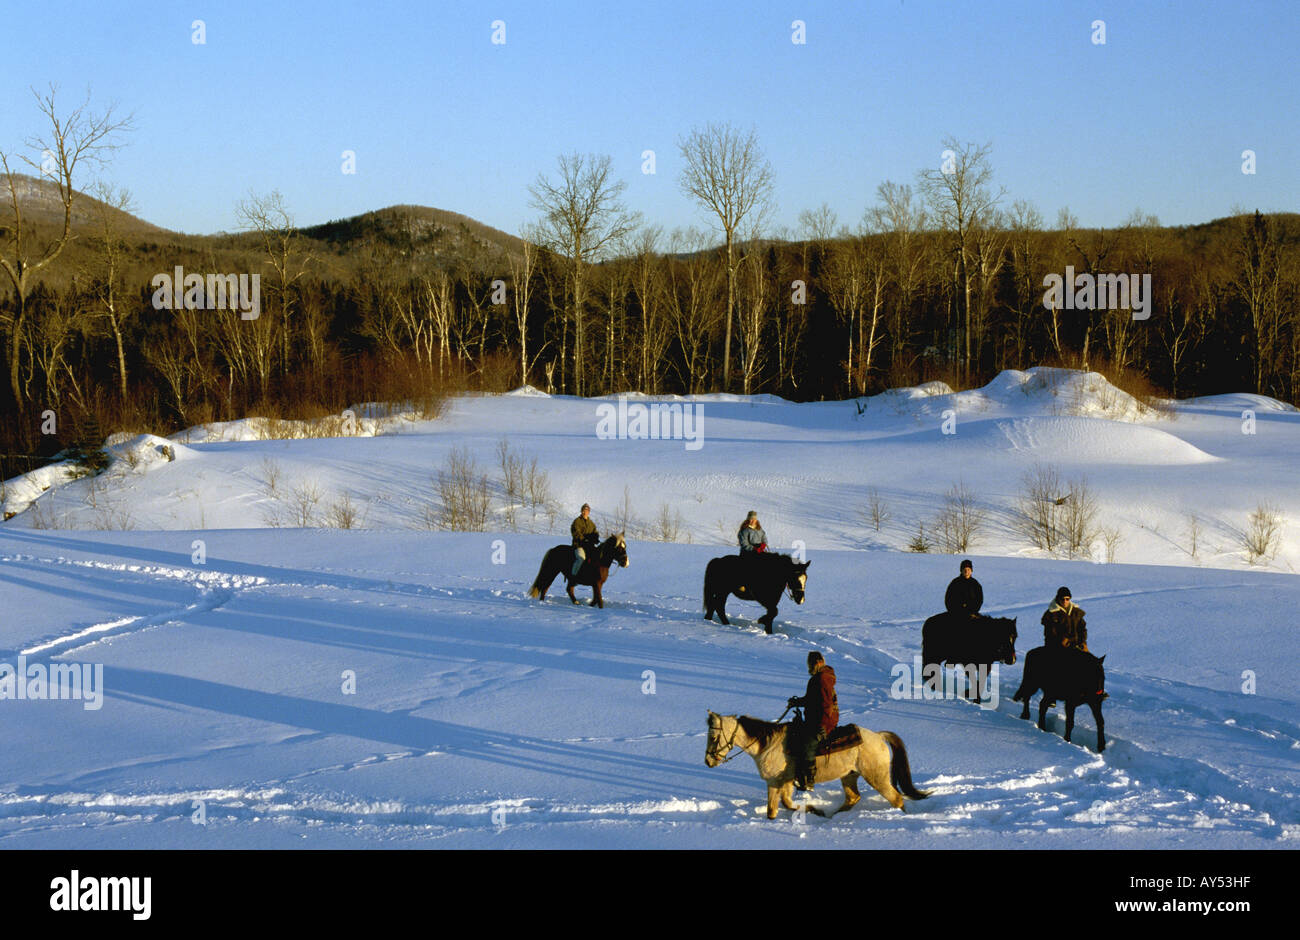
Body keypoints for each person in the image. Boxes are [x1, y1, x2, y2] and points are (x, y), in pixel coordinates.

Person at [786, 651, 838, 791]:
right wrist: (797, 702)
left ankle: (809, 780)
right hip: (814, 720)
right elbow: (812, 700)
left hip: (823, 722)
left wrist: (822, 726)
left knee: (807, 744)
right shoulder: (818, 677)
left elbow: (827, 705)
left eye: (812, 663)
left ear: (819, 663)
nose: (810, 666)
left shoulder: (822, 678)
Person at [1041, 586, 1087, 652]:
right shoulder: (1051, 614)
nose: (1065, 601)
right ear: (1058, 599)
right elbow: (1049, 634)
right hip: (1057, 646)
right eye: (1062, 599)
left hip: (1076, 644)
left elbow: (1082, 629)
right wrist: (1062, 640)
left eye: (1067, 599)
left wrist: (1082, 642)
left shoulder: (1076, 612)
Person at [570, 503, 598, 577]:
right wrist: (583, 539)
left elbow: (595, 532)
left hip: (589, 545)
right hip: (578, 545)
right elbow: (576, 533)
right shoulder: (577, 521)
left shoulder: (591, 523)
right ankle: (573, 576)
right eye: (583, 510)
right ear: (581, 511)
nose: (584, 512)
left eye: (586, 510)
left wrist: (596, 538)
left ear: (588, 512)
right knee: (581, 559)